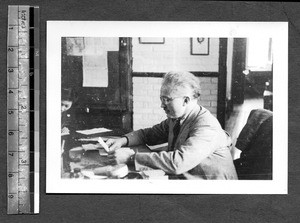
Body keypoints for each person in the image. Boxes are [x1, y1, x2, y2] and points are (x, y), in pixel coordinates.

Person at [106, 71, 238, 179]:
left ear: (185, 100)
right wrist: (123, 140)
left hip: (215, 193)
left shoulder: (206, 127)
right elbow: (149, 134)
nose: (162, 105)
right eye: (161, 99)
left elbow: (178, 163)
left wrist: (130, 158)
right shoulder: (177, 119)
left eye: (167, 100)